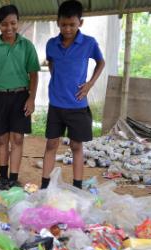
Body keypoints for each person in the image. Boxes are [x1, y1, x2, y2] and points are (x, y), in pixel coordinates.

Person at [41, 0, 105, 189]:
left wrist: (90, 84)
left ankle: (77, 187)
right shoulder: (51, 44)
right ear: (57, 22)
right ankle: (45, 186)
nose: (67, 29)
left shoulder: (89, 43)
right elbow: (51, 63)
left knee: (76, 146)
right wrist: (58, 81)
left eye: (72, 25)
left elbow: (100, 62)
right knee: (51, 144)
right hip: (56, 104)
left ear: (80, 23)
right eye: (63, 25)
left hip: (77, 105)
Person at [0, 5, 40, 190]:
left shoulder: (27, 45)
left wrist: (31, 99)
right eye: (4, 24)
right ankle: (2, 178)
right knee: (1, 139)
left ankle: (14, 178)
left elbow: (34, 74)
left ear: (18, 23)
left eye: (13, 23)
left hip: (21, 96)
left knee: (18, 139)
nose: (9, 28)